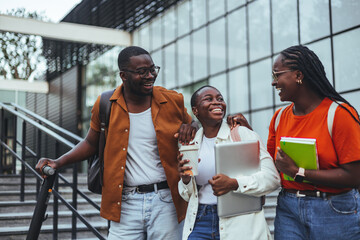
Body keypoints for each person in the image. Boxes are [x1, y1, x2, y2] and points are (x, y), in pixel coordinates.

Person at [36, 46, 198, 240]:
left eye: (153, 69)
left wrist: (193, 126)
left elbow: (195, 129)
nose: (150, 76)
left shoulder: (172, 100)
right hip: (125, 202)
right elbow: (90, 142)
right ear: (124, 75)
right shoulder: (106, 103)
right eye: (142, 72)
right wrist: (58, 162)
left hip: (166, 200)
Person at [267, 45, 360, 239]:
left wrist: (297, 172)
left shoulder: (339, 115)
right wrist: (244, 133)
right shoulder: (279, 117)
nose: (273, 83)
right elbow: (269, 165)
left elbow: (354, 176)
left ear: (299, 75)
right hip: (288, 209)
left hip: (334, 210)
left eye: (277, 75)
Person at [178, 85, 281, 240]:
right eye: (209, 99)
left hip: (239, 222)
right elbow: (188, 195)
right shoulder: (191, 143)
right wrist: (186, 180)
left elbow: (272, 178)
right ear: (195, 110)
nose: (217, 102)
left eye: (220, 99)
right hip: (200, 220)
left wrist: (234, 183)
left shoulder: (242, 133)